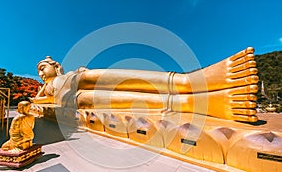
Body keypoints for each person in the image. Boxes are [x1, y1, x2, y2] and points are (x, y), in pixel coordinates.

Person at [30, 47, 259, 122]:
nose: (41, 72)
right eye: (39, 70)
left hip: (75, 80)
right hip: (71, 100)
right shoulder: (42, 89)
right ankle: (188, 101)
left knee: (98, 77)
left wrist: (74, 75)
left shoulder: (67, 74)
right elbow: (41, 102)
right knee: (97, 98)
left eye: (43, 67)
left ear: (56, 66)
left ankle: (185, 81)